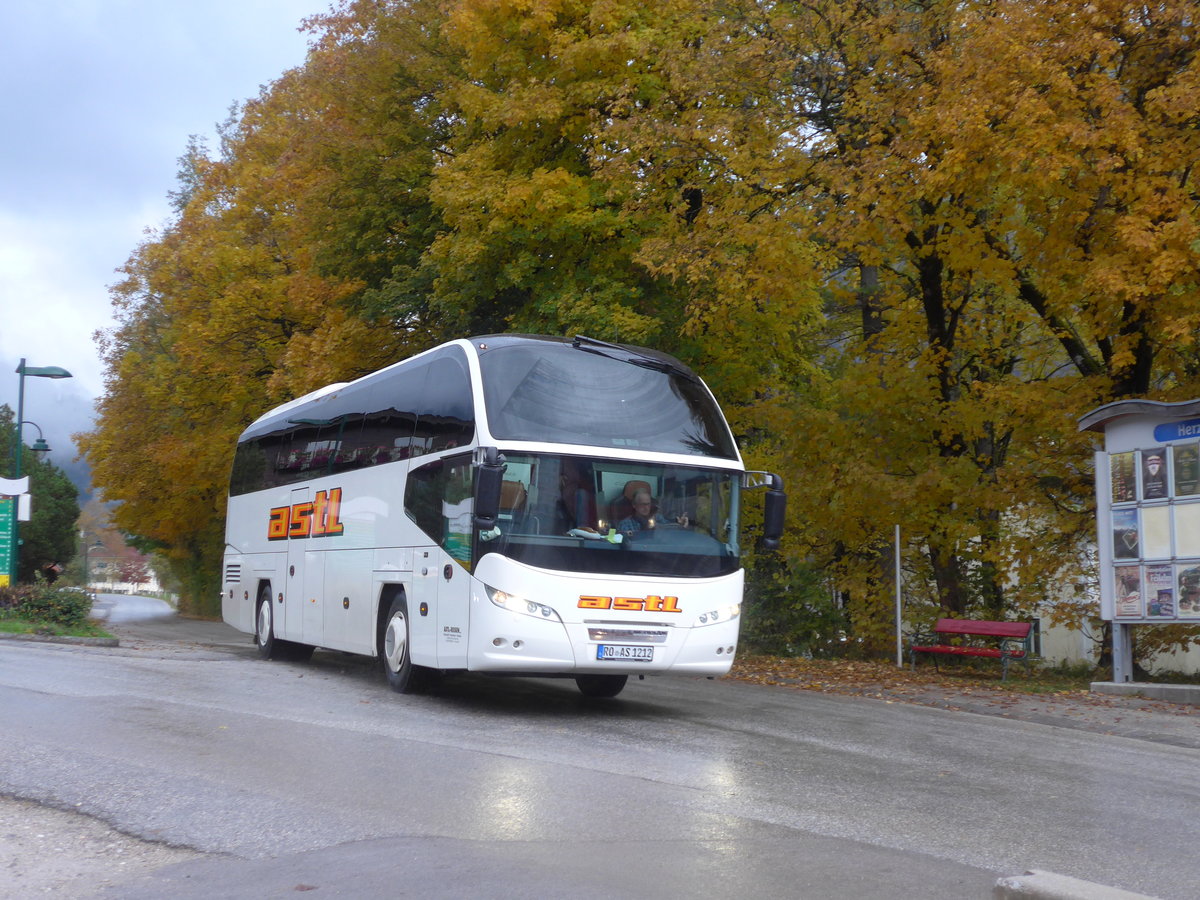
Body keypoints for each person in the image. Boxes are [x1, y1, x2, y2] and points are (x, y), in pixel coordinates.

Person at [617, 489, 688, 535]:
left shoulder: (658, 518)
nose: (646, 508)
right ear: (634, 505)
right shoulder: (625, 524)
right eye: (643, 504)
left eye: (648, 504)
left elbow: (670, 529)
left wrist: (679, 524)